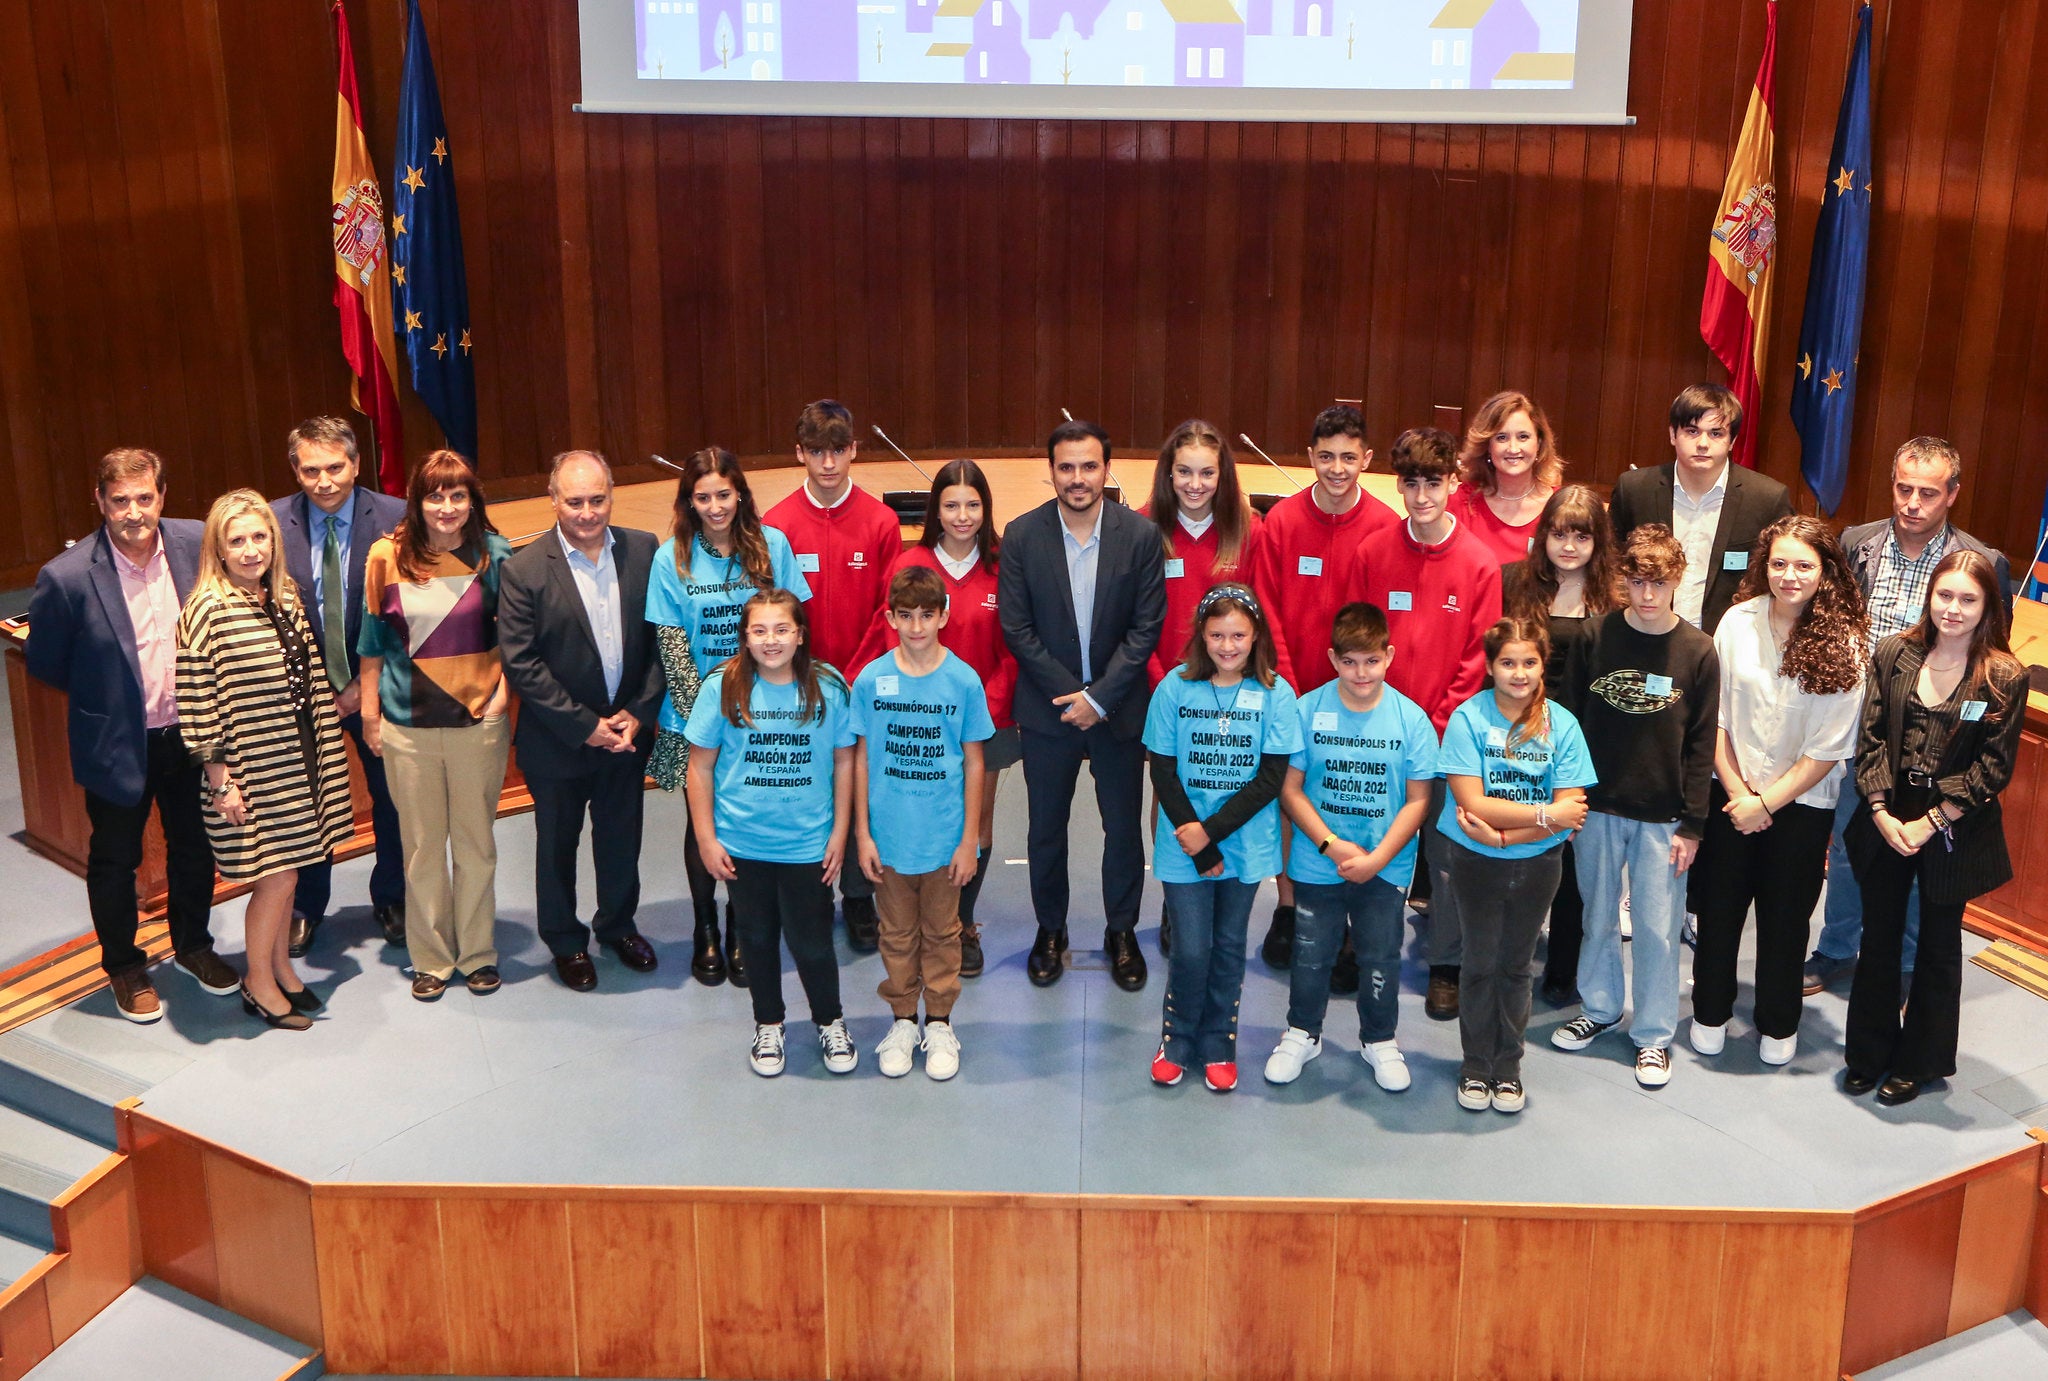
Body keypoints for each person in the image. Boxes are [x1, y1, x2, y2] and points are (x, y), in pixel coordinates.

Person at [26, 448, 237, 1022]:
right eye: (120, 501)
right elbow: (45, 662)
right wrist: (109, 691)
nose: (134, 513)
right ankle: (123, 966)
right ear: (99, 502)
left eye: (145, 499)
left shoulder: (199, 544)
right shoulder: (65, 577)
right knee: (114, 860)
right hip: (118, 741)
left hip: (191, 732)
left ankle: (194, 945)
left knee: (194, 847)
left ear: (162, 496)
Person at [1809, 437, 2013, 995]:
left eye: (1928, 492)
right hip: (1865, 730)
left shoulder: (1982, 562)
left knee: (1921, 856)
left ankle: (1903, 963)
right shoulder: (1856, 543)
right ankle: (1835, 948)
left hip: (1938, 743)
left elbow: (1992, 663)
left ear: (1952, 494)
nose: (1912, 503)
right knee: (1853, 847)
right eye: (1904, 489)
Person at [1843, 550, 2026, 1105]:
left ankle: (1919, 1064)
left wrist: (1931, 822)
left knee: (1938, 945)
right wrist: (1879, 811)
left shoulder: (2002, 675)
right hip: (1889, 811)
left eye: (1968, 599)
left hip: (1953, 824)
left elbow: (1993, 767)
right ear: (1930, 595)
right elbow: (1870, 738)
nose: (1952, 609)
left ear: (1987, 606)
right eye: (1944, 595)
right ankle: (1868, 1055)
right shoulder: (1894, 651)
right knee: (1877, 936)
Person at [1690, 517, 1867, 1066]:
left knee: (1786, 922)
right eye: (1779, 563)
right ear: (1765, 564)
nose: (1790, 576)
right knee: (1718, 913)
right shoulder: (1736, 622)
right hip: (1731, 795)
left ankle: (1777, 1022)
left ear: (1826, 572)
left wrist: (1765, 804)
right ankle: (1709, 1012)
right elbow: (1713, 718)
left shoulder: (1847, 644)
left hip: (1800, 807)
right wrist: (1741, 794)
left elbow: (1828, 748)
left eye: (1804, 565)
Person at [174, 491, 353, 1031]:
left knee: (293, 870)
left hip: (302, 757)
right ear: (219, 550)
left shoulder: (286, 594)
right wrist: (221, 781)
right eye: (238, 541)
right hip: (252, 770)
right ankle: (257, 979)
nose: (251, 550)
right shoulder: (206, 609)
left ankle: (279, 968)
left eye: (260, 537)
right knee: (273, 877)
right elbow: (197, 700)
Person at [998, 419, 1165, 992]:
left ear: (1106, 470)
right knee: (1046, 830)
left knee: (1123, 830)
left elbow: (1147, 629)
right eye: (1065, 467)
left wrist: (1100, 697)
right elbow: (1017, 629)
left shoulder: (1140, 537)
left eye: (1088, 466)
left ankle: (1122, 932)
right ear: (1051, 472)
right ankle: (1052, 931)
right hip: (1048, 715)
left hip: (1117, 713)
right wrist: (1073, 697)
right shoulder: (1021, 537)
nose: (1077, 478)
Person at [1551, 525, 1720, 1089]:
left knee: (1656, 927)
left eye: (1659, 583)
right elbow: (1567, 723)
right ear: (1623, 580)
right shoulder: (1594, 638)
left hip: (1664, 816)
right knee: (1596, 917)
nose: (1647, 595)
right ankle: (1598, 1009)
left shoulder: (1698, 651)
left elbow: (1701, 744)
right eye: (1637, 582)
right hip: (1597, 807)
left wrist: (1693, 824)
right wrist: (1568, 796)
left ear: (1677, 582)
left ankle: (1651, 1035)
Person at [1344, 426, 1502, 1021]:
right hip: (1374, 730)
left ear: (1452, 483)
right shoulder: (1373, 553)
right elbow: (1359, 640)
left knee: (1445, 856)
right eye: (1409, 484)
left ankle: (1445, 966)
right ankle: (1356, 942)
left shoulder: (1480, 564)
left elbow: (1476, 659)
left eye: (1432, 483)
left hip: (1445, 736)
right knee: (1368, 836)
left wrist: (1433, 724)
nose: (1421, 496)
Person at [498, 451, 667, 992]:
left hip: (627, 736)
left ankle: (617, 925)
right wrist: (585, 725)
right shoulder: (523, 569)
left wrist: (639, 714)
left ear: (611, 494)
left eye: (597, 499)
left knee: (621, 840)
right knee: (557, 848)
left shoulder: (644, 550)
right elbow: (521, 663)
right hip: (559, 742)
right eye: (575, 502)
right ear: (553, 501)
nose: (588, 512)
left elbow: (666, 641)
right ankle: (566, 942)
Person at [646, 447, 811, 988]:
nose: (715, 506)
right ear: (687, 502)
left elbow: (791, 626)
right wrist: (710, 721)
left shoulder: (774, 547)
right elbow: (672, 646)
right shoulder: (671, 558)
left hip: (765, 719)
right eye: (702, 497)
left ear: (740, 493)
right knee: (703, 825)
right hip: (695, 716)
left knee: (745, 822)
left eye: (723, 494)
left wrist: (751, 713)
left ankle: (742, 926)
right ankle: (705, 929)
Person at [850, 460, 1017, 978]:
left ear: (986, 509)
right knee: (912, 812)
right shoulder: (910, 562)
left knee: (976, 821)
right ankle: (908, 918)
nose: (962, 516)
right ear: (934, 510)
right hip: (912, 720)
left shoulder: (1003, 564)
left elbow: (1015, 647)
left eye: (973, 504)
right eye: (951, 505)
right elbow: (886, 636)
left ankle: (960, 924)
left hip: (986, 717)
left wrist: (982, 706)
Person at [357, 450, 513, 1003]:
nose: (447, 507)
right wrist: (371, 715)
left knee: (475, 844)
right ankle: (431, 959)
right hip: (407, 728)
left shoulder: (495, 554)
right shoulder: (385, 557)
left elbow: (516, 642)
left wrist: (500, 699)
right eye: (435, 495)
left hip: (478, 725)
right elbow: (372, 646)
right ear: (417, 500)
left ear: (473, 500)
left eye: (458, 495)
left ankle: (476, 954)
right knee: (421, 846)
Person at [1248, 404, 1399, 967]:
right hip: (1292, 694)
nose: (1337, 468)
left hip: (1357, 694)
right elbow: (1265, 608)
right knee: (1291, 801)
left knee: (1353, 801)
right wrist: (1287, 686)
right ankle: (1290, 908)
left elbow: (1384, 618)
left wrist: (1360, 684)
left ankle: (1349, 919)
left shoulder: (1385, 526)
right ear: (1310, 457)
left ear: (1366, 459)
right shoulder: (1281, 523)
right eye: (1326, 456)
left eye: (1348, 457)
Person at [684, 589, 858, 1078]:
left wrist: (839, 832)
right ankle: (768, 1023)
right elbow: (700, 766)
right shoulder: (722, 685)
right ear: (745, 637)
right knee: (756, 939)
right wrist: (706, 839)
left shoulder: (828, 686)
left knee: (814, 943)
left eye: (782, 629)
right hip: (743, 844)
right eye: (759, 630)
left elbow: (845, 760)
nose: (771, 640)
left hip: (807, 845)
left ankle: (830, 1020)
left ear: (800, 634)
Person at [1269, 602, 1436, 1090]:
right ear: (1332, 658)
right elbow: (1290, 788)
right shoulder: (1307, 710)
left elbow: (1417, 801)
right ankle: (1303, 1031)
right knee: (1310, 953)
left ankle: (1380, 1039)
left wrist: (1379, 858)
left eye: (1371, 661)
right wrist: (1329, 844)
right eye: (1349, 661)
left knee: (1380, 955)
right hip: (1318, 862)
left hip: (1384, 867)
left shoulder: (1412, 720)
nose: (1360, 672)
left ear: (1389, 656)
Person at [1143, 584, 1300, 1092]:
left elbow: (1270, 778)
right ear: (1201, 637)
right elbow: (1163, 769)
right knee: (1190, 948)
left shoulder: (1277, 694)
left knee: (1229, 945)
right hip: (1182, 842)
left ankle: (1218, 1041)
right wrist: (1197, 839)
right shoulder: (1174, 688)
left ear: (1256, 637)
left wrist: (1211, 836)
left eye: (1238, 635)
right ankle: (1177, 1037)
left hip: (1243, 844)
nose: (1228, 645)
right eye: (1217, 635)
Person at [1438, 618, 1595, 1113]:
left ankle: (1508, 1068)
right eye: (1508, 662)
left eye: (1529, 662)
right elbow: (1473, 803)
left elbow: (1574, 812)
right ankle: (1475, 1065)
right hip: (1474, 858)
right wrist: (1546, 814)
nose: (1519, 673)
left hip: (1537, 863)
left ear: (1543, 665)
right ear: (1489, 666)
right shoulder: (1468, 718)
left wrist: (1511, 833)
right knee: (1479, 962)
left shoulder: (1563, 724)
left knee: (1516, 965)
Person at [763, 400, 902, 954]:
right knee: (810, 791)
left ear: (853, 451)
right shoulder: (776, 524)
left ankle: (861, 897)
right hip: (796, 688)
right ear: (799, 453)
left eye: (837, 451)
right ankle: (810, 897)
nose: (827, 463)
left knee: (862, 791)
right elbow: (773, 609)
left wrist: (853, 675)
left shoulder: (882, 522)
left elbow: (887, 610)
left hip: (862, 684)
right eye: (815, 452)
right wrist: (800, 676)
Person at [271, 417, 409, 956]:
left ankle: (393, 896)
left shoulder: (397, 518)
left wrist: (359, 687)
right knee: (310, 802)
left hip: (378, 686)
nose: (324, 481)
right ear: (295, 470)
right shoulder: (272, 524)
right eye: (311, 470)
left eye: (335, 468)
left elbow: (412, 615)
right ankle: (307, 905)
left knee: (392, 798)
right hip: (301, 696)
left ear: (355, 464)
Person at [850, 566, 994, 1080]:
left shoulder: (962, 680)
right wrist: (863, 834)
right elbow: (862, 758)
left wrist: (969, 840)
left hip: (943, 841)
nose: (915, 627)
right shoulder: (871, 681)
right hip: (889, 843)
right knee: (896, 933)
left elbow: (974, 760)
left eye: (926, 616)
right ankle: (902, 1020)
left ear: (944, 617)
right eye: (905, 616)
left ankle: (938, 1022)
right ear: (889, 618)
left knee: (941, 932)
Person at [1143, 420, 1264, 956]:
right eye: (1185, 472)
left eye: (1207, 473)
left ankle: (1224, 889)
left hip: (1232, 695)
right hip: (1167, 693)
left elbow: (1261, 616)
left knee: (1224, 788)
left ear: (1224, 475)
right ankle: (1177, 896)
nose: (1195, 484)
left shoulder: (1248, 530)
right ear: (1169, 474)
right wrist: (1161, 686)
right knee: (1169, 793)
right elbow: (1133, 620)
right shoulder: (1145, 529)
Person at [1504, 485, 1623, 1008]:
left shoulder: (1613, 598)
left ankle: (1563, 965)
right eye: (1559, 534)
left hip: (1584, 741)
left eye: (1582, 536)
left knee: (1574, 863)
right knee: (1515, 849)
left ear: (1598, 541)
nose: (1570, 546)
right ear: (1543, 535)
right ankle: (1507, 959)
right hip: (1519, 735)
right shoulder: (1514, 582)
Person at [1606, 384, 1794, 635]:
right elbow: (1610, 565)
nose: (1703, 443)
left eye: (1716, 433)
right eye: (1692, 431)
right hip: (1644, 637)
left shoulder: (1767, 499)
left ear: (1732, 441)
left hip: (1729, 643)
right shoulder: (1634, 490)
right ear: (1673, 434)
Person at [1446, 391, 1564, 565]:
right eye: (1501, 438)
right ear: (1487, 446)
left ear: (1539, 443)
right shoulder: (1458, 503)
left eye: (1523, 437)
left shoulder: (1561, 507)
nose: (1513, 448)